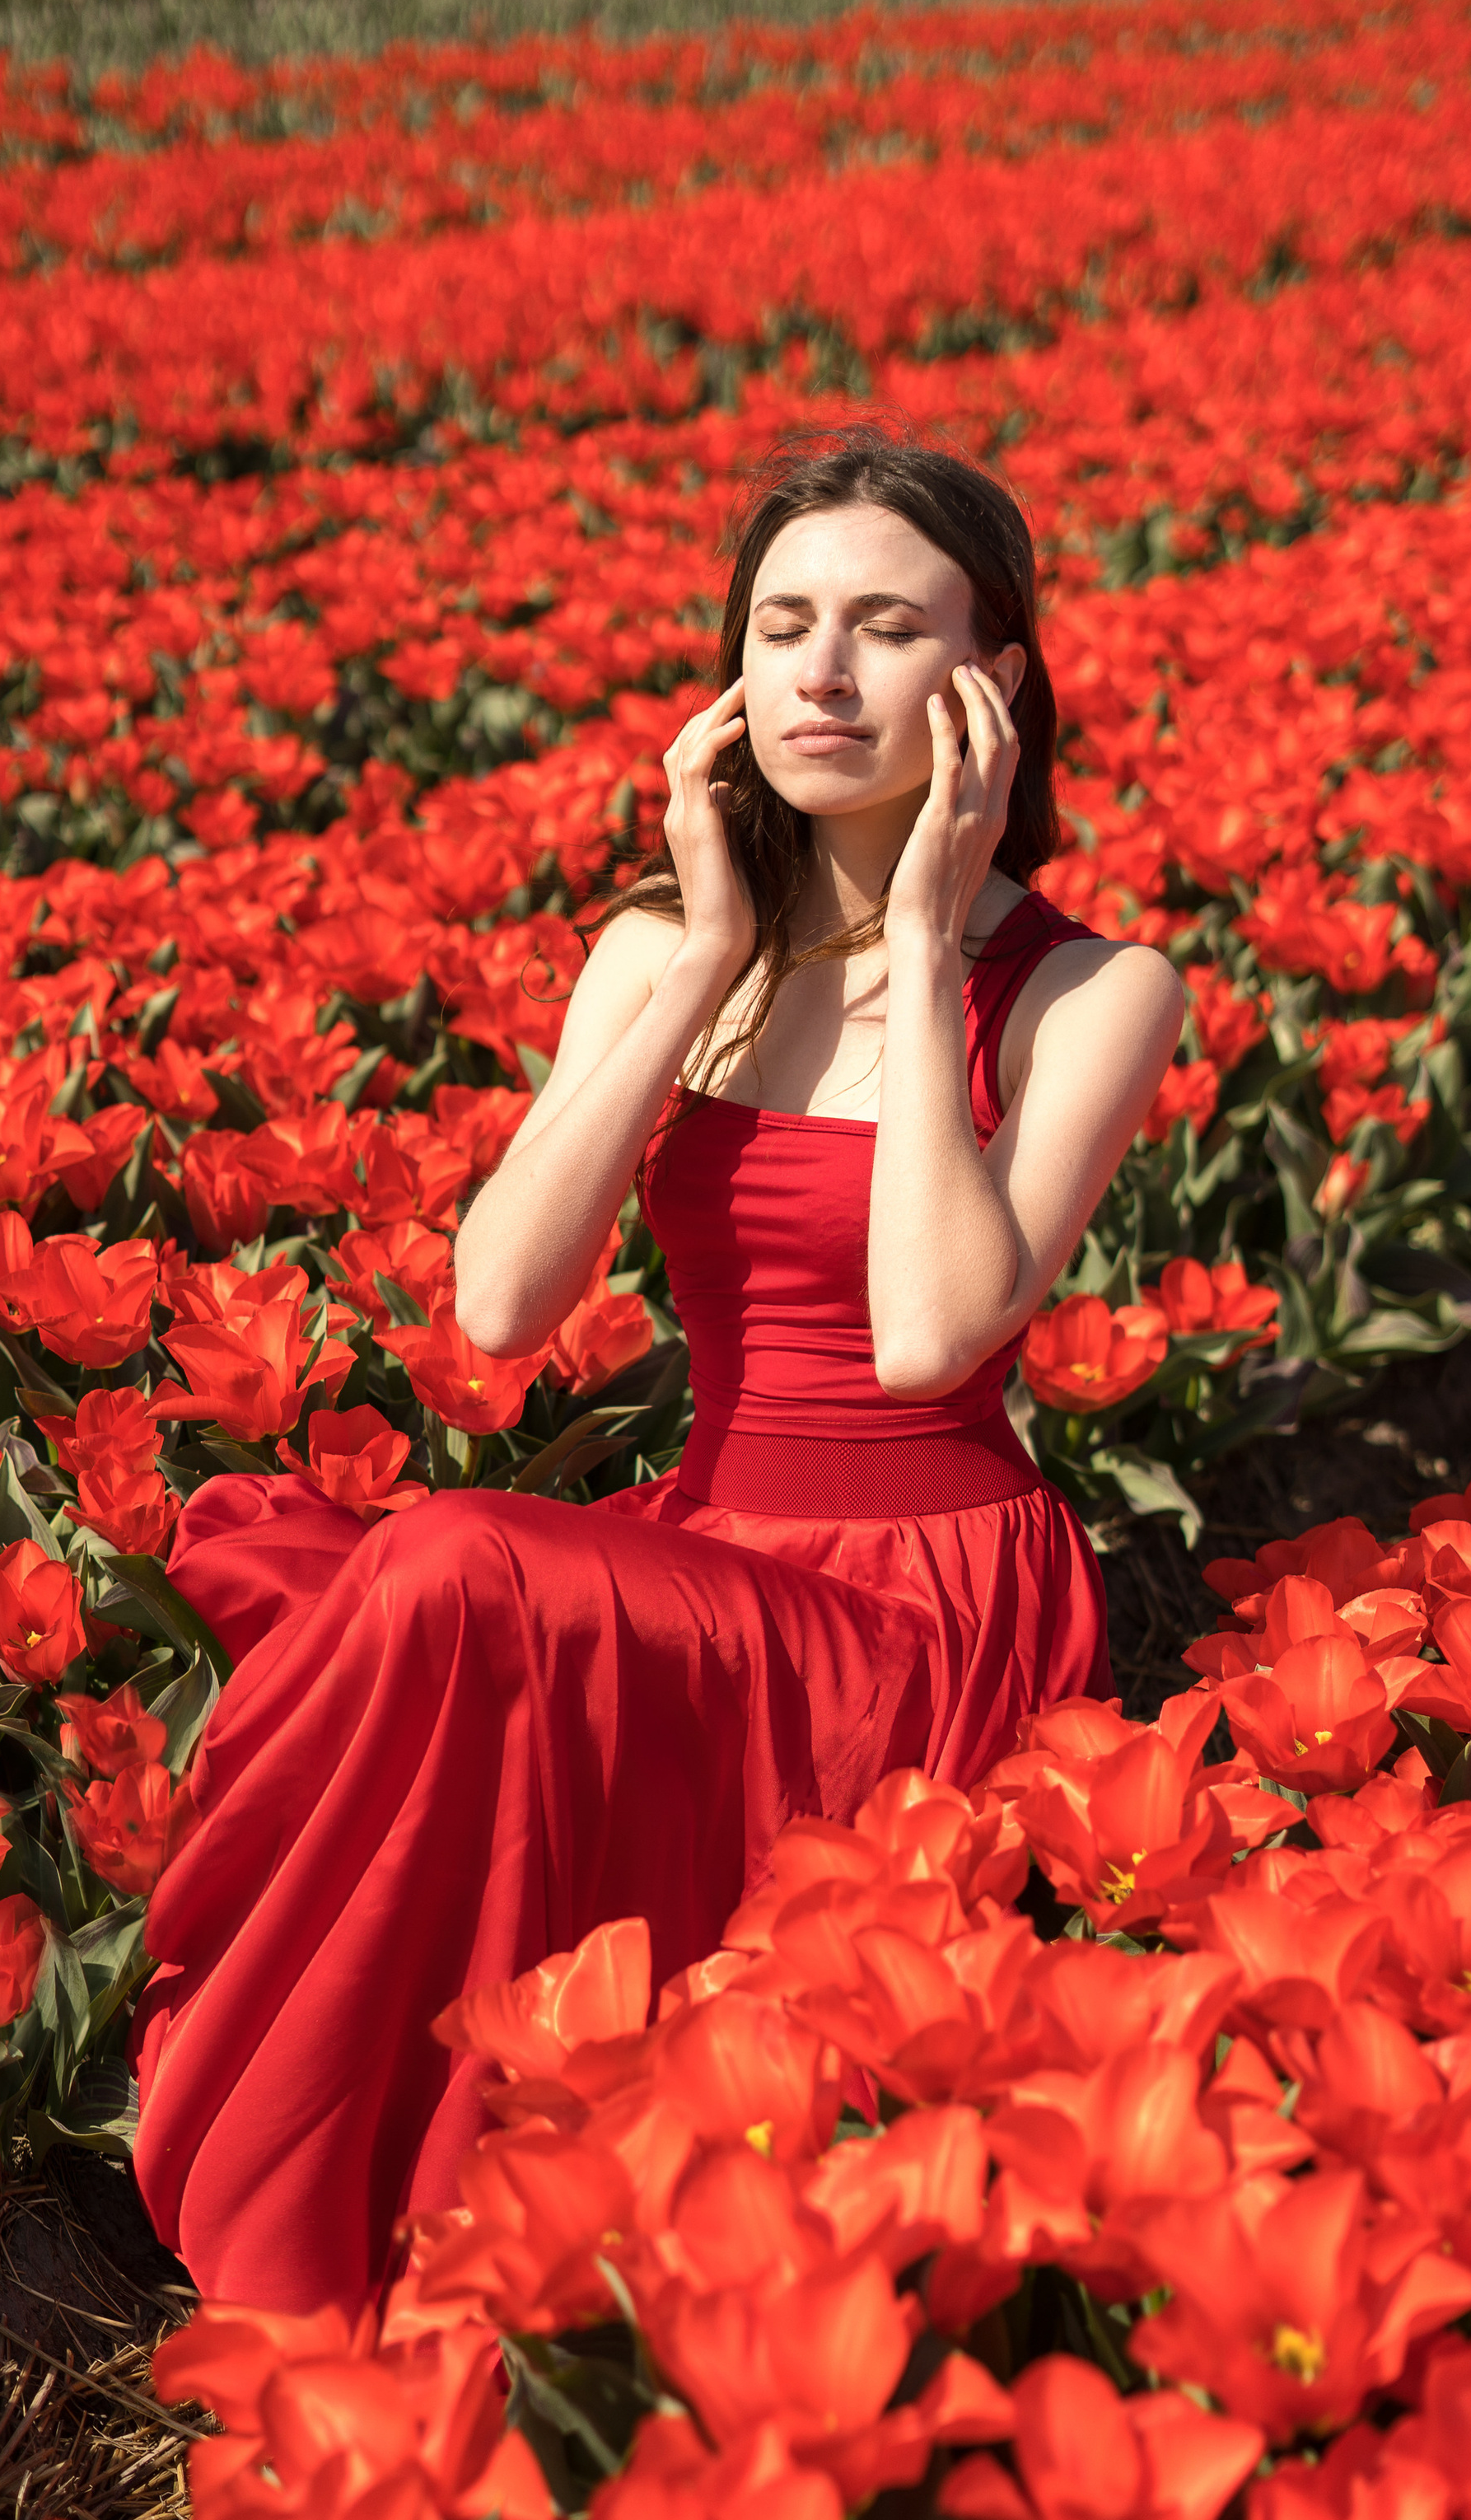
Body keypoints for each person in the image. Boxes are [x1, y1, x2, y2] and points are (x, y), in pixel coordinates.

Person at [133, 418, 1184, 2312]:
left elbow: (933, 1335)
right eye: (782, 625)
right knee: (411, 1585)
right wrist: (703, 955)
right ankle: (372, 2185)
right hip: (718, 1544)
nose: (824, 674)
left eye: (884, 626)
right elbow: (496, 1309)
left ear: (993, 680)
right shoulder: (657, 953)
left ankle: (380, 2218)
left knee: (447, 1572)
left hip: (928, 1615)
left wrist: (931, 932)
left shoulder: (1085, 989)